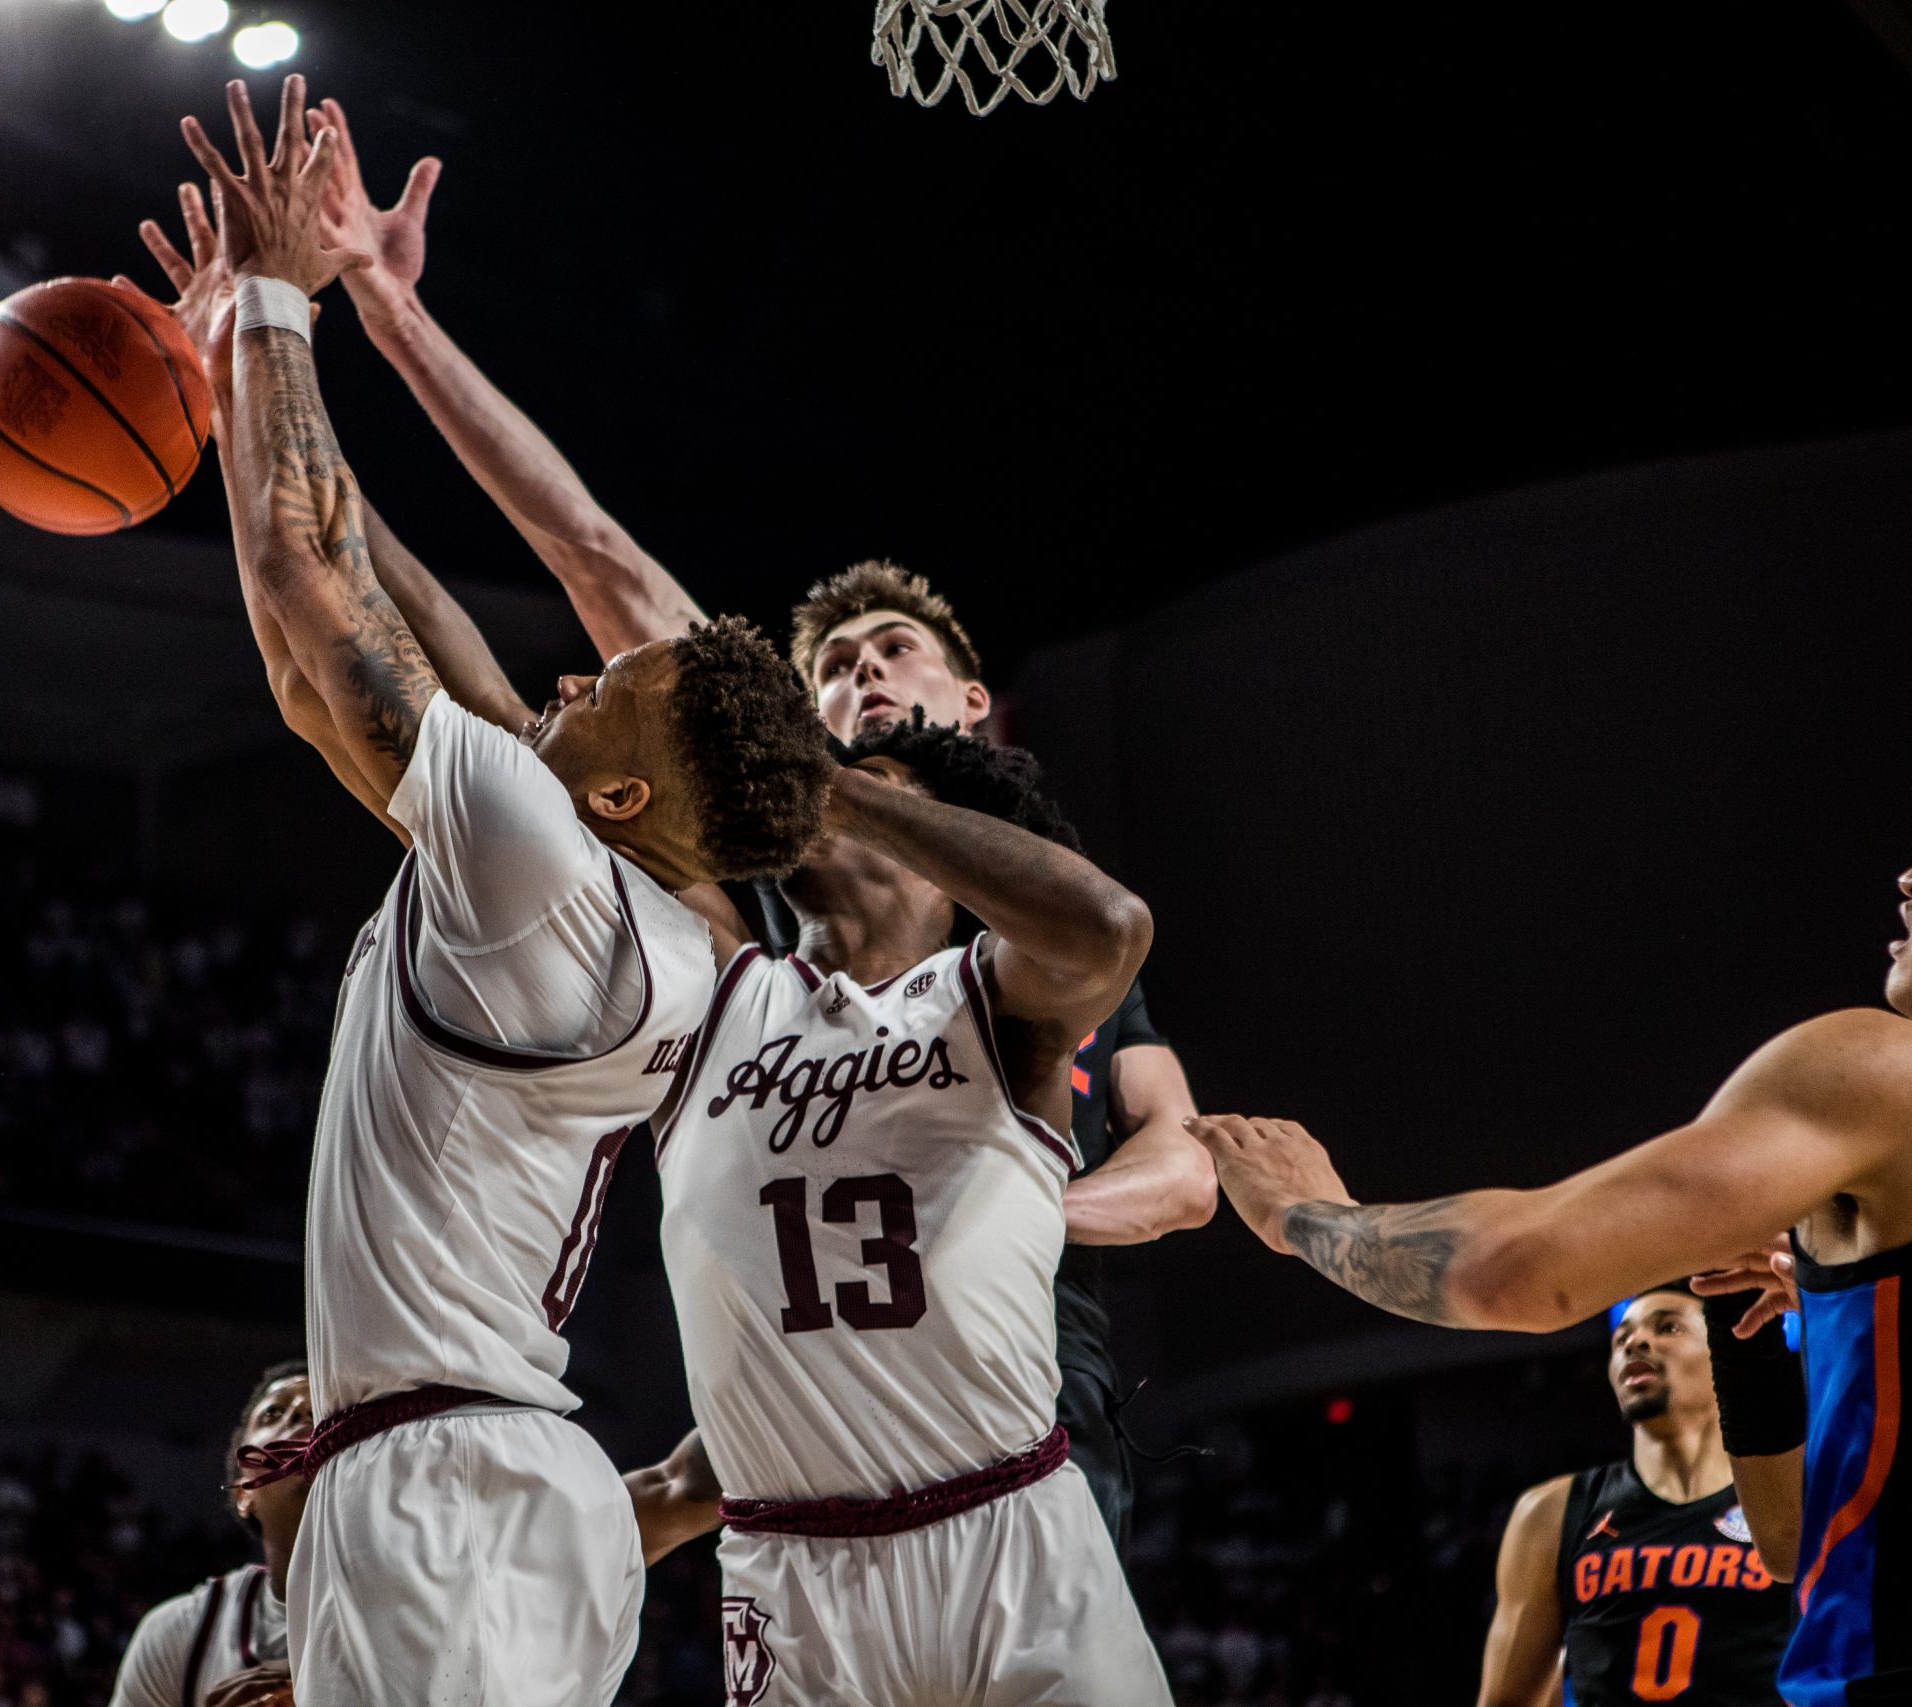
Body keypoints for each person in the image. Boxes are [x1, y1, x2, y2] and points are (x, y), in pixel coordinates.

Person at [297, 104, 1214, 1546]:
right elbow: (588, 546)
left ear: (974, 701)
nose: (858, 668)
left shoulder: (1036, 915)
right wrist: (384, 306)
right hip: (797, 1363)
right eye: (833, 662)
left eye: (894, 648)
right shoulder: (745, 888)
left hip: (1007, 1379)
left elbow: (1182, 1164)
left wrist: (1027, 1206)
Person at [152, 76, 833, 1707]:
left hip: (444, 1491)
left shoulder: (538, 876)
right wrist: (245, 387)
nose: (569, 670)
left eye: (603, 686)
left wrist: (269, 308)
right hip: (490, 1480)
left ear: (617, 793)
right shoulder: (612, 887)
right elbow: (395, 620)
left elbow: (306, 604)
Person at [1190, 728, 1912, 1707]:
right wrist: (1773, 1337)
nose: (1911, 874)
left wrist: (1302, 1212)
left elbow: (1512, 1272)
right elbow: (1791, 1544)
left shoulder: (1895, 1076)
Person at [626, 714, 1172, 1703]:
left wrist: (829, 784)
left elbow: (1111, 928)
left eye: (867, 773)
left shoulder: (991, 1005)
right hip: (793, 1576)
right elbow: (525, 782)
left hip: (1012, 1544)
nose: (823, 784)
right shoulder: (718, 994)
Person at [1477, 1285, 1793, 1706]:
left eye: (1668, 1327)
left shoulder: (1792, 1497)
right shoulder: (1551, 1512)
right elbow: (1507, 1701)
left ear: (1725, 1350)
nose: (1636, 1342)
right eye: (1621, 1338)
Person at [108, 1363, 309, 1707]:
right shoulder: (180, 1633)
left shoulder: (427, 1604)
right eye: (274, 1412)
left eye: (322, 1408)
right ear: (244, 1491)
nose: (304, 1416)